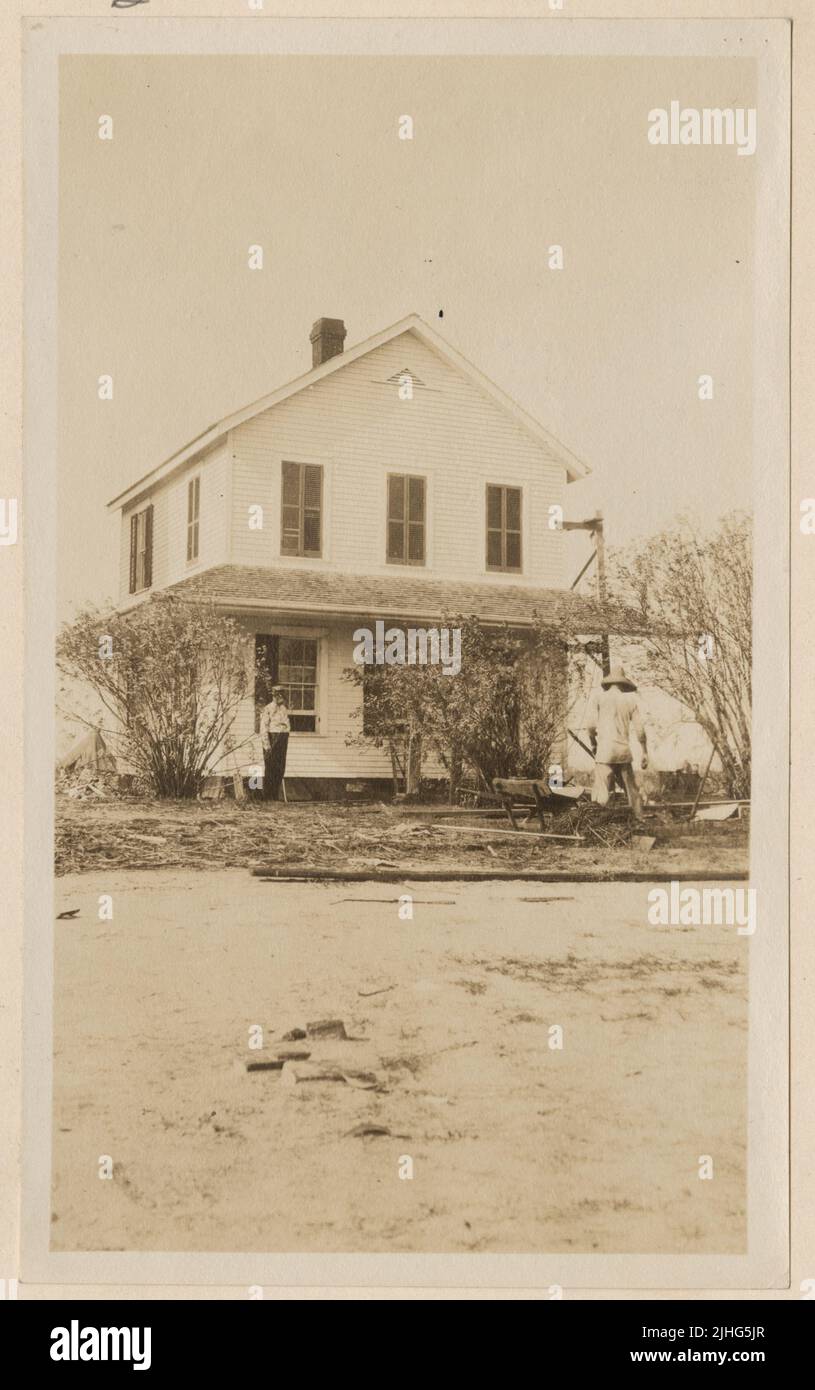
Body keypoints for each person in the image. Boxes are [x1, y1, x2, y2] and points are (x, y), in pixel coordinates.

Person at [585, 665, 648, 819]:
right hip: (623, 751)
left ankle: (601, 823)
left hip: (605, 751)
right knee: (631, 790)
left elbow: (590, 726)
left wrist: (593, 743)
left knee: (602, 791)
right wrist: (645, 752)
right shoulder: (630, 700)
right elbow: (640, 730)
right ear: (623, 683)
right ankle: (640, 819)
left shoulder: (599, 698)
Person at [259, 686, 290, 802]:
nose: (280, 697)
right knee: (270, 768)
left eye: (282, 695)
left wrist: (285, 736)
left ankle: (275, 796)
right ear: (274, 695)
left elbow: (286, 725)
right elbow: (263, 728)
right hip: (272, 738)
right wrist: (266, 745)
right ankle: (268, 797)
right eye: (278, 695)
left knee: (280, 768)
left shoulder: (284, 709)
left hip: (282, 739)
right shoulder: (268, 709)